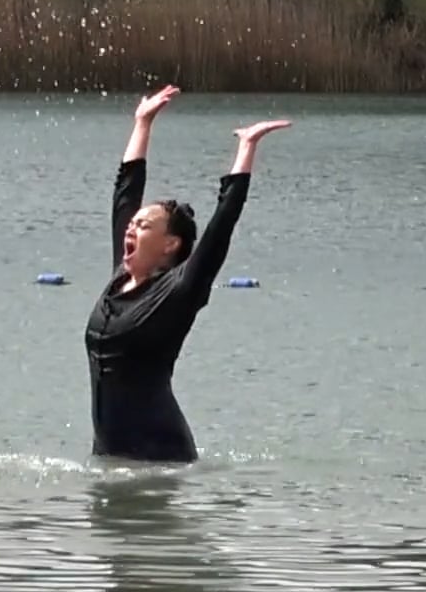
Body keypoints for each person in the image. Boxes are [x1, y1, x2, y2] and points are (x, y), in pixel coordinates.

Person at [86, 84, 289, 463]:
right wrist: (142, 122)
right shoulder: (120, 275)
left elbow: (221, 228)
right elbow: (125, 194)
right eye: (133, 225)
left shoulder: (179, 292)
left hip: (160, 459)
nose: (131, 228)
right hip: (111, 459)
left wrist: (246, 149)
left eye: (144, 226)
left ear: (170, 244)